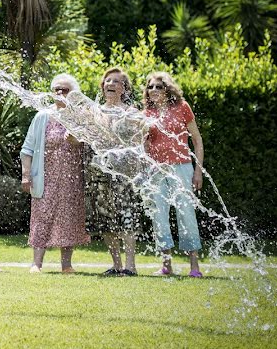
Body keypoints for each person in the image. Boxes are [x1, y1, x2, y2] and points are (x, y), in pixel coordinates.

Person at [20, 74, 91, 273]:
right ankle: (36, 264)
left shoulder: (79, 117)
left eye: (65, 90)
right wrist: (26, 175)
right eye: (57, 90)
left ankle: (66, 265)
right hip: (45, 178)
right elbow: (27, 149)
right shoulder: (42, 116)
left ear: (74, 94)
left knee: (69, 218)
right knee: (41, 217)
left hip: (72, 180)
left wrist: (78, 140)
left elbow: (90, 146)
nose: (60, 93)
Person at [143, 71, 205, 277]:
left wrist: (198, 171)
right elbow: (143, 144)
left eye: (158, 86)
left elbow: (197, 140)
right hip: (156, 169)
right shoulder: (146, 113)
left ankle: (194, 266)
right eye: (149, 87)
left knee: (186, 213)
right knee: (158, 216)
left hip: (181, 166)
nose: (153, 90)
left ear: (167, 89)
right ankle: (166, 266)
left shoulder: (182, 107)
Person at [84, 67, 144, 276]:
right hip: (99, 173)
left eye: (116, 82)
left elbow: (140, 142)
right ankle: (116, 264)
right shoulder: (94, 111)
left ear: (124, 88)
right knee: (105, 220)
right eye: (107, 81)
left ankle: (130, 266)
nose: (110, 84)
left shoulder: (132, 113)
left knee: (126, 217)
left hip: (124, 174)